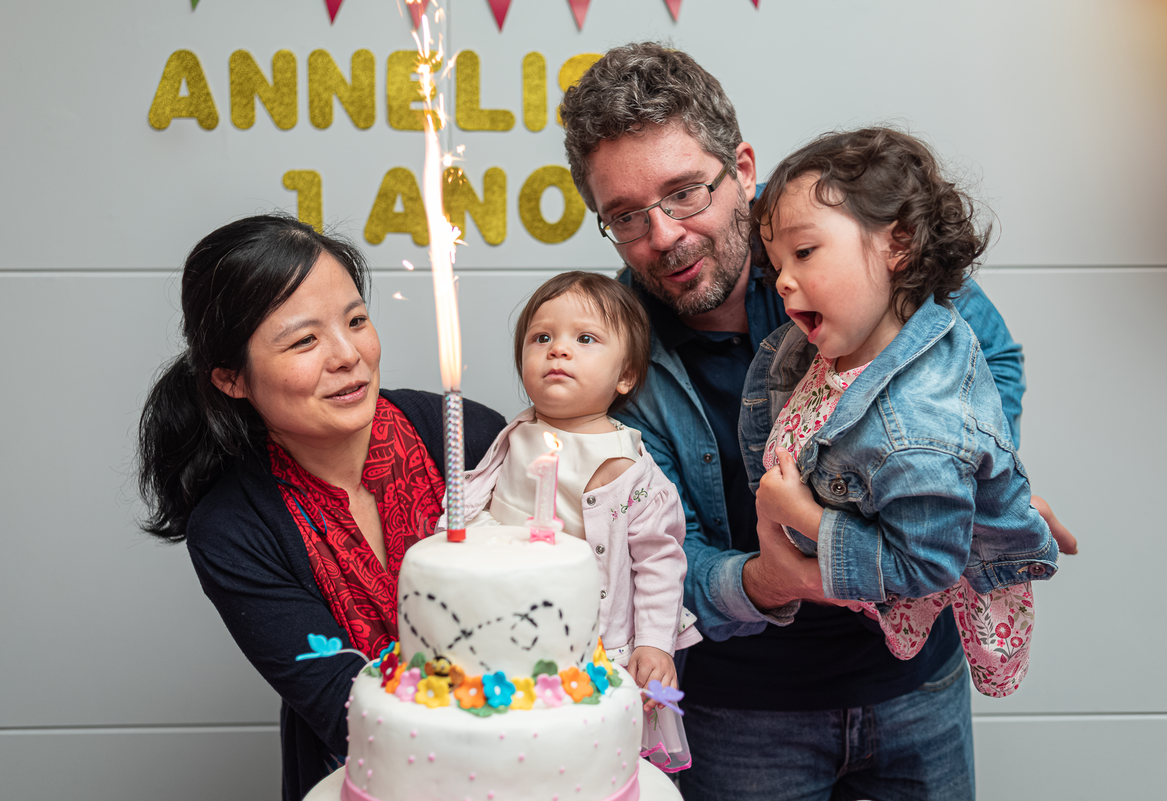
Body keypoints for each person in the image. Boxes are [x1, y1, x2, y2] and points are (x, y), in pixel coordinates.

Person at [559, 42, 1076, 799]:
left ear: (741, 170)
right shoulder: (607, 346)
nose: (663, 234)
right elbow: (653, 558)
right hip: (740, 717)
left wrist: (966, 477)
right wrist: (766, 582)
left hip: (916, 687)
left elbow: (986, 353)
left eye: (684, 193)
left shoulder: (841, 226)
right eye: (627, 216)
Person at [136, 214, 505, 801]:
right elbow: (343, 705)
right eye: (304, 341)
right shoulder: (233, 528)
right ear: (231, 379)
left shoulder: (465, 435)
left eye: (356, 321)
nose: (348, 355)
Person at [743, 127, 1058, 699]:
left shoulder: (916, 429)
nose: (782, 281)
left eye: (804, 252)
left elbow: (926, 568)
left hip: (908, 588)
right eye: (776, 265)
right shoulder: (855, 337)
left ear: (899, 245)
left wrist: (805, 518)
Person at [452, 270, 700, 771]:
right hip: (510, 624)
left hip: (590, 644)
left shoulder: (629, 467)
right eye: (541, 338)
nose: (558, 350)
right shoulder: (516, 435)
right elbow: (476, 504)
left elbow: (660, 562)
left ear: (625, 376)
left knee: (586, 763)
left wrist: (654, 643)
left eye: (585, 339)